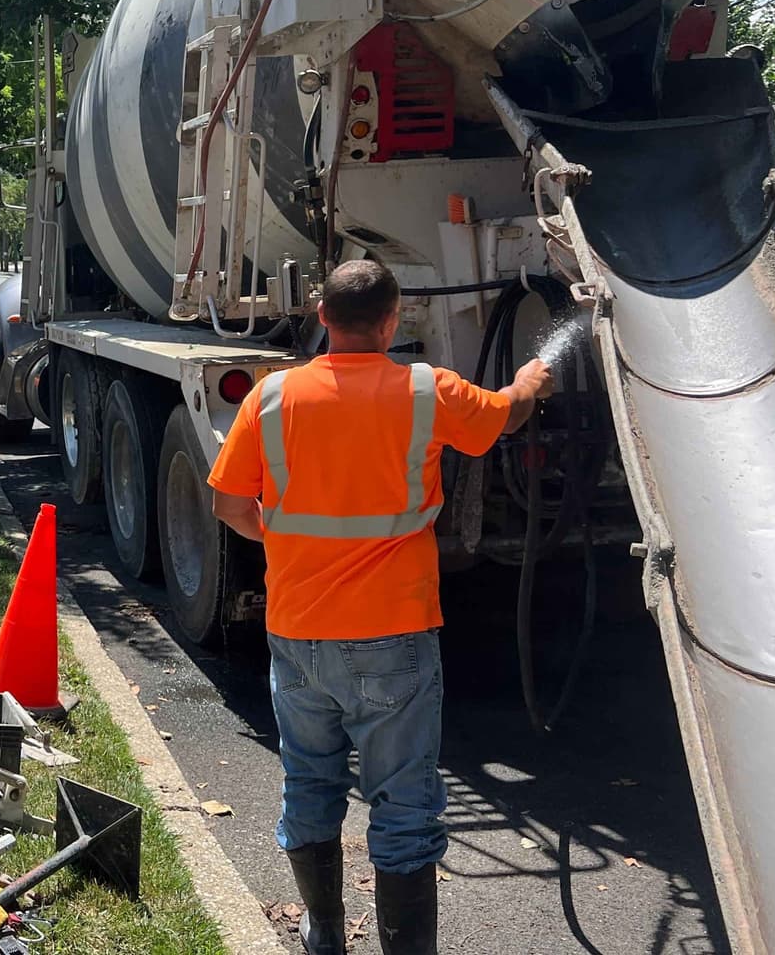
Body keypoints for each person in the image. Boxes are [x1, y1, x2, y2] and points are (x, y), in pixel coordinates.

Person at [208, 260, 553, 955]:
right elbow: (505, 415)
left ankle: (324, 934)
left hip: (297, 632)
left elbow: (230, 506)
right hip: (394, 632)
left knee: (309, 783)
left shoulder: (272, 398)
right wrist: (535, 376)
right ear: (394, 321)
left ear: (322, 317)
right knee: (402, 806)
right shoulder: (427, 391)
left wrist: (286, 538)